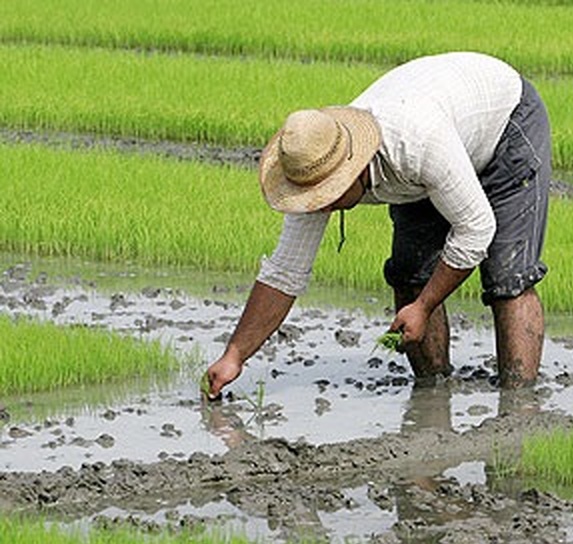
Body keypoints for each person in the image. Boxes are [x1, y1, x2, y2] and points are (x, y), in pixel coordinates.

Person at [203, 51, 551, 400]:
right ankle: (432, 396)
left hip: (504, 122)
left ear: (353, 168)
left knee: (508, 277)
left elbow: (476, 229)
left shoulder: (416, 145)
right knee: (409, 274)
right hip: (437, 141)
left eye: (331, 193)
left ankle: (518, 408)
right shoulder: (312, 163)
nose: (322, 206)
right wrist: (235, 356)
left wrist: (425, 306)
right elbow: (285, 273)